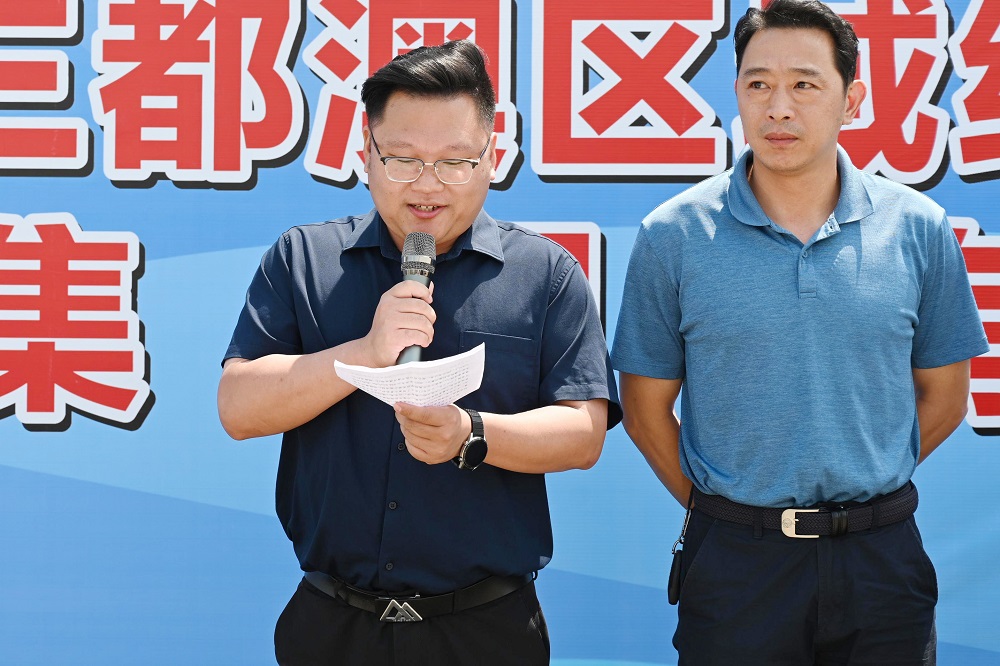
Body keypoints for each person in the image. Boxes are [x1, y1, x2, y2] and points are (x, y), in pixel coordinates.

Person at [217, 40, 620, 665]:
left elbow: (583, 433)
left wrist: (471, 434)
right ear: (366, 154)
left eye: (454, 161)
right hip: (332, 625)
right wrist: (365, 351)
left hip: (485, 630)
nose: (428, 185)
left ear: (492, 158)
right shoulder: (304, 260)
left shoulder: (545, 274)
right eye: (403, 160)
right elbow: (239, 407)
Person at [611, 1, 988, 664]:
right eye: (758, 84)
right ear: (737, 94)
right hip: (737, 566)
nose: (778, 108)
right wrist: (728, 516)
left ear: (852, 100)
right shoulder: (673, 236)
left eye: (805, 84)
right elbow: (644, 411)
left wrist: (866, 476)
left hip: (881, 560)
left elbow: (946, 397)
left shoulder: (918, 228)